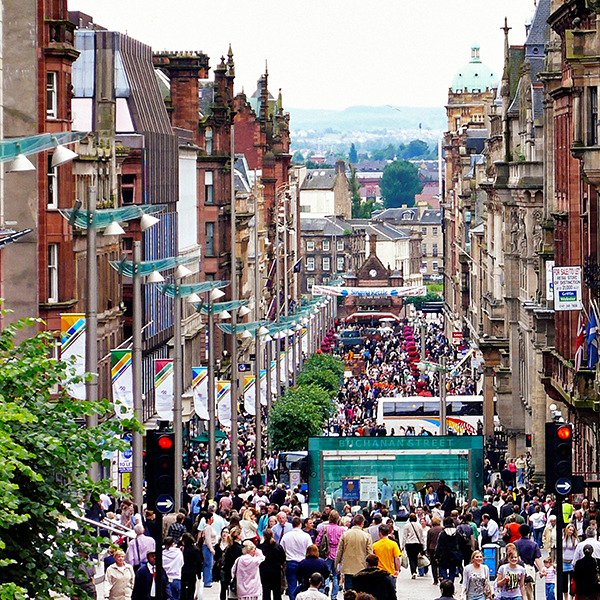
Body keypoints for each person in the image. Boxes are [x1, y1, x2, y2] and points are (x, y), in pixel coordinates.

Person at [335, 513, 373, 591]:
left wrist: (337, 564)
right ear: (362, 523)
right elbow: (370, 553)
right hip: (361, 567)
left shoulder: (345, 534)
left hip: (347, 567)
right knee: (360, 590)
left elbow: (339, 551)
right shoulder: (366, 536)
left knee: (349, 591)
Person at [315, 510, 345, 600]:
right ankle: (334, 596)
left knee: (325, 573)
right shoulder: (342, 530)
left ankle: (325, 587)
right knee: (336, 575)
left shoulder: (324, 528)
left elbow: (318, 541)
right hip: (338, 555)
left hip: (326, 553)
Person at [281, 516, 312, 600]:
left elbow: (281, 549)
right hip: (303, 562)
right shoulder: (306, 536)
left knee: (291, 584)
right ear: (300, 524)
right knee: (304, 583)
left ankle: (293, 598)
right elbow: (310, 549)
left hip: (290, 562)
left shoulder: (286, 536)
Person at [514, 524, 545, 600]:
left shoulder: (515, 544)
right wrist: (541, 570)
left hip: (517, 568)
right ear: (529, 532)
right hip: (530, 569)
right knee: (530, 590)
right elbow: (537, 558)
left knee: (518, 589)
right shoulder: (533, 544)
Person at [259, 528, 286, 600]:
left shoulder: (261, 547)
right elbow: (282, 559)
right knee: (277, 592)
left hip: (264, 572)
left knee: (266, 592)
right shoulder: (278, 547)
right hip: (276, 571)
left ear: (264, 536)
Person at [435, 518, 462, 584]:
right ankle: (451, 582)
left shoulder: (442, 534)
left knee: (442, 568)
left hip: (444, 555)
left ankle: (445, 580)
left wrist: (436, 556)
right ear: (453, 524)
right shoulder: (457, 533)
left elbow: (439, 545)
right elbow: (461, 544)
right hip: (454, 555)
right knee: (452, 569)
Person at [402, 513, 425, 579]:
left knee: (411, 558)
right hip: (417, 543)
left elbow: (404, 536)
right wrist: (423, 545)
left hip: (409, 543)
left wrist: (402, 546)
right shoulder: (419, 525)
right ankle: (416, 569)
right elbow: (421, 536)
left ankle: (413, 572)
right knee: (416, 557)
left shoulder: (407, 526)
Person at [222, 527, 244, 600]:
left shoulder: (229, 547)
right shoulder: (239, 549)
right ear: (237, 535)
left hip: (228, 572)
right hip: (237, 573)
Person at [180, 533, 203, 600]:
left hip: (183, 571)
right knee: (191, 589)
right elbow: (199, 562)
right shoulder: (196, 550)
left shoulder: (182, 550)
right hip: (192, 571)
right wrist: (199, 574)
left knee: (183, 590)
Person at [562, 523, 578, 600]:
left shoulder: (575, 539)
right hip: (564, 562)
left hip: (572, 562)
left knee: (572, 582)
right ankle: (566, 598)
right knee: (564, 582)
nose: (571, 531)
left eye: (572, 530)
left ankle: (571, 597)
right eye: (570, 529)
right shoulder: (562, 538)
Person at [201, 513, 218, 587]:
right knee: (208, 565)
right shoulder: (207, 528)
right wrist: (211, 549)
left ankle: (207, 580)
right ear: (208, 519)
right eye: (212, 518)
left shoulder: (210, 527)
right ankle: (207, 581)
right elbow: (208, 539)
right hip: (208, 548)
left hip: (210, 547)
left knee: (209, 564)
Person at [427, 516, 444, 584]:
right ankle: (441, 576)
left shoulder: (430, 530)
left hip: (432, 548)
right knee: (441, 563)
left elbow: (428, 541)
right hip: (441, 548)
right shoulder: (442, 529)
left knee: (433, 564)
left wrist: (427, 550)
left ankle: (435, 580)